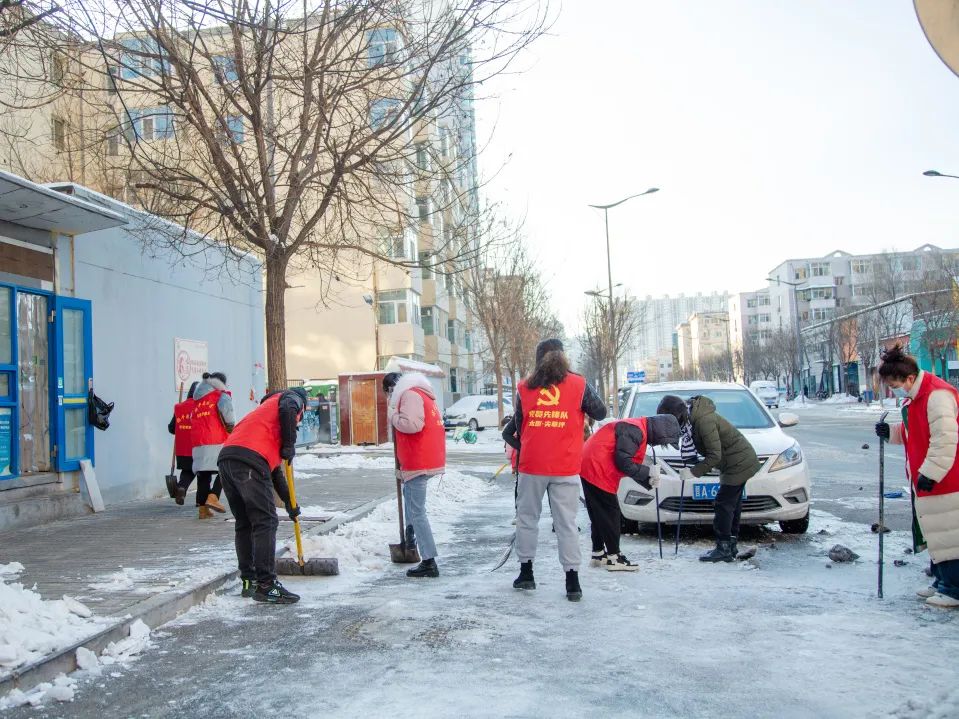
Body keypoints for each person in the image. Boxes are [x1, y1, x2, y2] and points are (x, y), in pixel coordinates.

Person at [502, 338, 607, 601]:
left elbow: (518, 424)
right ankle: (573, 582)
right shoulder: (579, 384)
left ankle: (526, 574)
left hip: (532, 466)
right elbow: (601, 412)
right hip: (566, 465)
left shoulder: (524, 387)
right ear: (563, 357)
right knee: (567, 524)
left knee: (527, 519)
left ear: (538, 360)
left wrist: (526, 447)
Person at [875, 345, 959, 609]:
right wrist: (891, 432)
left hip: (946, 479)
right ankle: (941, 581)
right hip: (928, 479)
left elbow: (945, 440)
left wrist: (931, 473)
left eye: (894, 384)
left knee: (949, 534)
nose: (893, 389)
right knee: (935, 533)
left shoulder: (937, 396)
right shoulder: (917, 397)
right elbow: (916, 430)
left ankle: (953, 588)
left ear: (909, 378)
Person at [218, 387, 308, 604]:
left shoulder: (261, 417)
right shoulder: (290, 398)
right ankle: (267, 585)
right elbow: (289, 407)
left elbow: (275, 472)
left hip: (227, 459)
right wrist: (289, 444)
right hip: (249, 461)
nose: (297, 421)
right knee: (265, 520)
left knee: (245, 523)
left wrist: (289, 503)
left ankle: (249, 581)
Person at [657, 394, 760, 563]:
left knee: (723, 505)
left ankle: (724, 548)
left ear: (679, 415)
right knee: (732, 505)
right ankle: (730, 545)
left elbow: (715, 456)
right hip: (734, 462)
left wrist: (693, 472)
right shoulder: (693, 421)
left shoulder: (703, 421)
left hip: (739, 462)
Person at [580, 413, 680, 571]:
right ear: (661, 432)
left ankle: (598, 554)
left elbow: (627, 463)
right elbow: (624, 462)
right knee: (611, 513)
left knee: (599, 513)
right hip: (597, 467)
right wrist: (648, 474)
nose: (660, 444)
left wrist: (647, 481)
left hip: (588, 462)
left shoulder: (636, 427)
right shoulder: (636, 431)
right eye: (664, 441)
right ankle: (615, 558)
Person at [384, 371, 446, 579]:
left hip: (419, 460)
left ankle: (429, 561)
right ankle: (411, 537)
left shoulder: (410, 395)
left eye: (388, 394)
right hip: (423, 458)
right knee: (410, 502)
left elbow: (412, 425)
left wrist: (393, 415)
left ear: (392, 389)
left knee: (417, 511)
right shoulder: (423, 393)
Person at [191, 372, 234, 519]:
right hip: (216, 438)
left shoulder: (197, 400)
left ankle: (203, 510)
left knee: (204, 474)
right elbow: (228, 415)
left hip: (198, 440)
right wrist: (231, 427)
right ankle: (214, 496)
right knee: (225, 468)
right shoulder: (221, 396)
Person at [167, 381, 199, 505]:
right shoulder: (201, 407)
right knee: (202, 473)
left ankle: (181, 488)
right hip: (198, 447)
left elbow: (171, 428)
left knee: (187, 470)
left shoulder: (179, 407)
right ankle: (201, 503)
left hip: (182, 449)